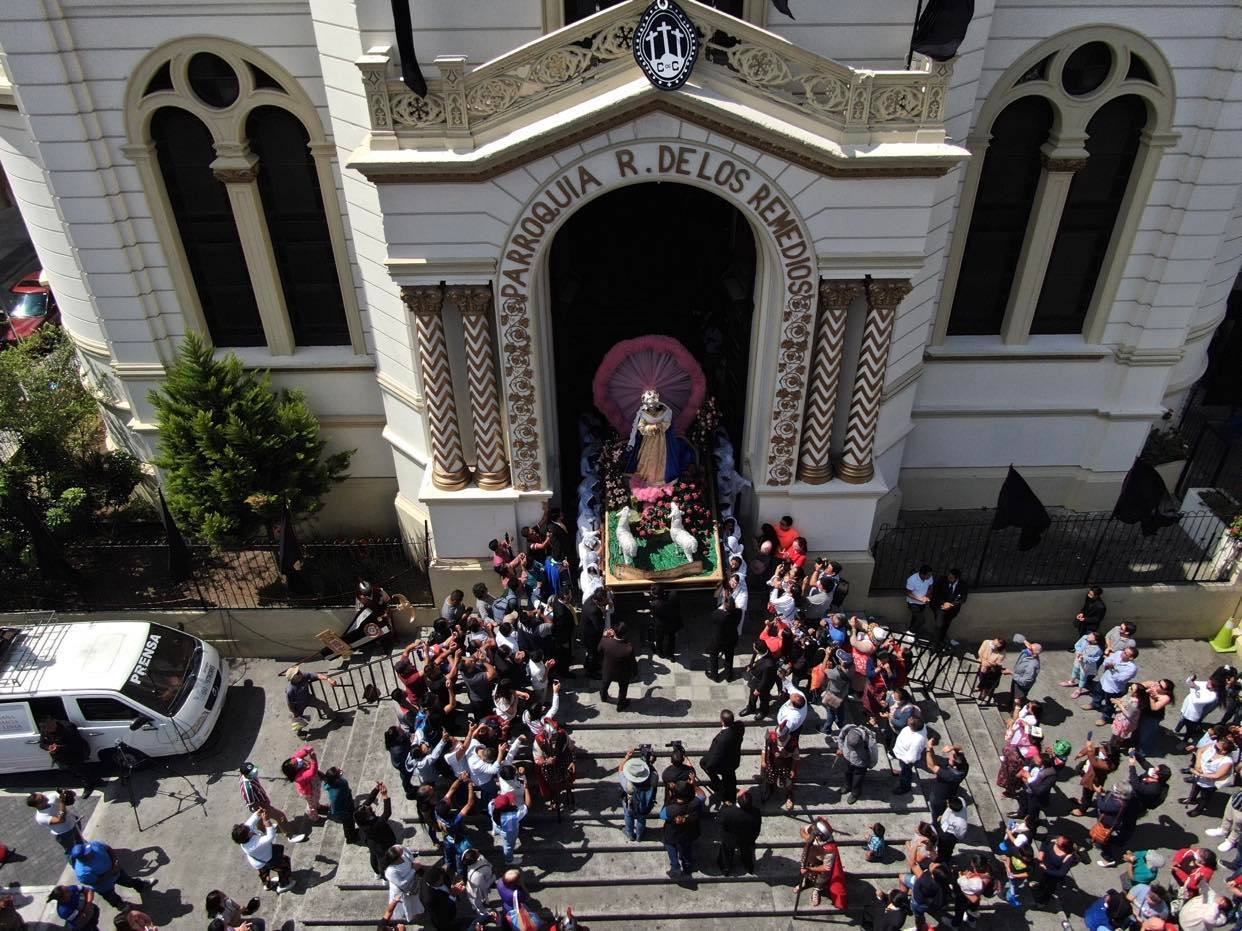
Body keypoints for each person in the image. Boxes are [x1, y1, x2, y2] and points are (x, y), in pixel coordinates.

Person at [238, 763, 307, 844]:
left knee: (260, 820)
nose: (256, 773)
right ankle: (290, 836)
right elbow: (252, 803)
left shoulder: (245, 777)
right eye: (252, 773)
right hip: (261, 805)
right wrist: (265, 808)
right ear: (246, 775)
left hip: (261, 802)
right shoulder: (248, 788)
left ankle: (262, 832)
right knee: (281, 816)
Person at [68, 841, 149, 909]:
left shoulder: (93, 844)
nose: (91, 851)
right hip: (105, 887)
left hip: (117, 872)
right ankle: (122, 906)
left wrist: (115, 862)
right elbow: (97, 881)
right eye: (87, 853)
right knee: (112, 898)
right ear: (82, 858)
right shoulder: (82, 872)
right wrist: (112, 871)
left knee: (129, 881)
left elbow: (108, 849)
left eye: (88, 850)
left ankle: (141, 886)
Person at [231, 812, 294, 894]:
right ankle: (284, 884)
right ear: (247, 836)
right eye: (248, 831)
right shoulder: (255, 845)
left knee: (264, 873)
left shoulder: (243, 840)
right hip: (268, 859)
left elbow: (250, 821)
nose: (250, 829)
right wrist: (266, 821)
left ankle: (267, 884)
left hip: (257, 862)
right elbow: (270, 836)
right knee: (284, 863)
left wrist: (258, 813)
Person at [659, 779, 706, 881]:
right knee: (686, 850)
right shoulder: (696, 802)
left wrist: (669, 795)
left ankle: (675, 866)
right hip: (689, 833)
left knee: (670, 847)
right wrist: (694, 784)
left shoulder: (670, 809)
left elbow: (662, 815)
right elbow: (702, 795)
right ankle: (687, 867)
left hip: (673, 835)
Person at [1180, 735, 1237, 817]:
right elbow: (1200, 750)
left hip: (1209, 784)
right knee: (1195, 788)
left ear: (1224, 751)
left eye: (1217, 748)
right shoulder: (1213, 747)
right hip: (1199, 778)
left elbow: (1216, 776)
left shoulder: (1227, 761)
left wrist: (1198, 773)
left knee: (1205, 797)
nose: (1214, 747)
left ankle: (1199, 809)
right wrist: (1198, 764)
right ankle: (1191, 799)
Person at [37, 719, 97, 795]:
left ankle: (89, 784)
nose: (47, 730)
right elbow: (42, 743)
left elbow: (76, 743)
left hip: (73, 755)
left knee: (81, 770)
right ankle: (85, 778)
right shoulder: (45, 729)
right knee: (69, 770)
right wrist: (49, 747)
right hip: (59, 757)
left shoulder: (68, 728)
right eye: (45, 728)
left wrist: (59, 747)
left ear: (54, 723)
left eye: (49, 727)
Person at [700, 710, 744, 809]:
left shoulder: (722, 739)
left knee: (704, 764)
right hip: (733, 759)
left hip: (724, 763)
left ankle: (719, 787)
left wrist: (709, 767)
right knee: (730, 778)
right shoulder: (740, 726)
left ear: (722, 721)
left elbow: (715, 756)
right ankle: (730, 795)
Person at [800, 817, 847, 909]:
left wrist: (809, 870)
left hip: (823, 862)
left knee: (824, 874)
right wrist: (809, 840)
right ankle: (804, 880)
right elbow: (802, 831)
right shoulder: (813, 828)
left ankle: (817, 889)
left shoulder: (830, 849)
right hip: (812, 855)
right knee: (804, 861)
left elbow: (825, 867)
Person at [354, 782, 397, 878]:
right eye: (367, 809)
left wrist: (376, 789)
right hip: (381, 843)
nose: (367, 805)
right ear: (367, 815)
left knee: (373, 855)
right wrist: (385, 796)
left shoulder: (359, 815)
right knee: (382, 860)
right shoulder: (376, 824)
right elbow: (387, 813)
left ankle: (376, 872)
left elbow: (368, 800)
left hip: (370, 840)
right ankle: (382, 875)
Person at [284, 668, 341, 738]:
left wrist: (328, 679)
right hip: (298, 705)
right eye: (298, 673)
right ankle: (299, 732)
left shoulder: (303, 676)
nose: (300, 672)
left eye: (299, 671)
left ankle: (333, 716)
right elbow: (289, 703)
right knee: (297, 719)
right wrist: (294, 712)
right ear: (293, 678)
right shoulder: (290, 690)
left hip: (308, 698)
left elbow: (316, 675)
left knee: (323, 705)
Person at [1090, 646, 1140, 724]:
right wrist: (1108, 663)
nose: (1122, 653)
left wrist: (1113, 668)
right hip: (1104, 680)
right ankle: (1094, 704)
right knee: (1097, 692)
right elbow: (1107, 661)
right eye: (1124, 651)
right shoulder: (1118, 653)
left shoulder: (1131, 668)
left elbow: (1120, 679)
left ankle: (1105, 718)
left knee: (1110, 704)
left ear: (1130, 658)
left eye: (1125, 653)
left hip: (1113, 688)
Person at [716, 788, 761, 874]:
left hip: (730, 838)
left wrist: (724, 806)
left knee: (726, 853)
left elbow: (719, 820)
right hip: (746, 837)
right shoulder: (755, 812)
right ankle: (748, 866)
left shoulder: (727, 812)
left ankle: (726, 869)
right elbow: (757, 827)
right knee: (747, 852)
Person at [27, 790, 85, 857]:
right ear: (38, 805)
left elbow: (72, 795)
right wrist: (62, 801)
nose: (45, 797)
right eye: (42, 799)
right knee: (71, 851)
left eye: (42, 796)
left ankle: (85, 853)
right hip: (64, 834)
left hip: (74, 824)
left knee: (80, 841)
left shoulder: (51, 797)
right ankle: (75, 863)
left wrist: (67, 793)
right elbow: (60, 819)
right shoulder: (41, 817)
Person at [922, 740, 968, 821]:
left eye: (950, 757)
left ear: (953, 764)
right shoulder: (964, 766)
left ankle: (936, 822)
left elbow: (931, 766)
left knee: (936, 811)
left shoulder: (949, 775)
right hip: (951, 790)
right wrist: (952, 747)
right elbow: (960, 749)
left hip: (939, 796)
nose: (949, 756)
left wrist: (928, 749)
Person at [380, 845, 424, 927]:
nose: (403, 852)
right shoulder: (391, 871)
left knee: (415, 902)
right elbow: (402, 884)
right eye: (401, 853)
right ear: (396, 858)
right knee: (405, 905)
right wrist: (414, 870)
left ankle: (416, 912)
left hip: (413, 886)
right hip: (403, 892)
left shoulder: (403, 855)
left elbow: (402, 848)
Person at [618, 750, 657, 841]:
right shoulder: (653, 777)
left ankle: (630, 834)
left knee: (628, 815)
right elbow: (654, 773)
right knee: (642, 818)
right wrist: (649, 764)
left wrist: (626, 757)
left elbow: (620, 769)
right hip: (645, 802)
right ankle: (640, 836)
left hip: (630, 802)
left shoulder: (628, 785)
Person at [837, 721, 878, 805]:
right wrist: (841, 748)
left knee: (857, 779)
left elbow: (874, 755)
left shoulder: (870, 740)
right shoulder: (848, 728)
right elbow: (840, 737)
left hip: (860, 763)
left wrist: (871, 765)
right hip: (847, 758)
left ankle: (855, 793)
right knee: (847, 772)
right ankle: (847, 786)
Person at [707, 584, 741, 682]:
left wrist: (724, 603)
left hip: (718, 640)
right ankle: (729, 675)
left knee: (713, 657)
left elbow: (711, 618)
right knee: (729, 658)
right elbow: (736, 608)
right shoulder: (738, 613)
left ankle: (714, 675)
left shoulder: (718, 614)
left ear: (725, 605)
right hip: (731, 639)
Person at [1032, 834, 1078, 906]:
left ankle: (1042, 902)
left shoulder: (1068, 858)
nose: (1056, 841)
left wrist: (1046, 870)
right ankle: (1039, 887)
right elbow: (1045, 840)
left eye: (1058, 842)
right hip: (1045, 868)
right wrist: (1041, 851)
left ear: (1063, 847)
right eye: (1057, 839)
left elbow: (1061, 873)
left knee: (1049, 889)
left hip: (1053, 875)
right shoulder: (1054, 841)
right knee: (1043, 880)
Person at [280, 746, 323, 823]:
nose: (298, 760)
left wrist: (307, 750)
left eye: (295, 760)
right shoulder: (299, 777)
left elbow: (299, 754)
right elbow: (313, 772)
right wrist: (313, 759)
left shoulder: (294, 761)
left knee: (316, 798)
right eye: (296, 763)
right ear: (294, 770)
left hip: (313, 785)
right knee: (312, 804)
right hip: (309, 792)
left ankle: (318, 806)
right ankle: (314, 817)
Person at [599, 623, 636, 711]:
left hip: (608, 671)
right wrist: (634, 673)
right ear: (625, 634)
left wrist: (604, 637)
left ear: (614, 632)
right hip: (622, 674)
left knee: (605, 684)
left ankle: (603, 697)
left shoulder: (605, 642)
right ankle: (621, 705)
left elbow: (599, 650)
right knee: (623, 688)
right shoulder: (628, 648)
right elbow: (632, 663)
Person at [739, 642, 779, 718]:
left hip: (763, 684)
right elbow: (754, 659)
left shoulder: (768, 664)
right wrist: (751, 666)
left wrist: (759, 689)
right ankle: (751, 708)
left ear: (758, 650)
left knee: (764, 698)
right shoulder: (759, 651)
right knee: (752, 696)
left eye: (754, 647)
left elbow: (766, 679)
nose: (753, 648)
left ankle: (764, 711)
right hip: (755, 680)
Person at [892, 714, 928, 796]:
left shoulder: (917, 741)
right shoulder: (920, 726)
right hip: (901, 754)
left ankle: (905, 787)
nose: (908, 720)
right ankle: (902, 772)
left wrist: (905, 761)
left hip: (906, 760)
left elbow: (912, 757)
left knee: (906, 773)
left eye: (909, 721)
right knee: (903, 769)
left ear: (913, 727)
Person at [321, 767, 359, 844]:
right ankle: (350, 838)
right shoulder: (336, 794)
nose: (340, 770)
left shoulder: (337, 782)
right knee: (348, 824)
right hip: (344, 811)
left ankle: (352, 832)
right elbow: (335, 810)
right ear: (336, 779)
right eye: (338, 772)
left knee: (351, 822)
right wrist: (346, 814)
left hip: (348, 803)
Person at [1062, 630, 1104, 698]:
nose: (1089, 636)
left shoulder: (1098, 649)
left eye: (1091, 636)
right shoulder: (1085, 637)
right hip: (1078, 660)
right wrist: (1078, 652)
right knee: (1075, 670)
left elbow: (1095, 659)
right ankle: (1071, 681)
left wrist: (1084, 657)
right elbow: (1077, 645)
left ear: (1095, 641)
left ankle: (1079, 690)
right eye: (1090, 634)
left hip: (1086, 665)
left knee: (1083, 677)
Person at [929, 568, 968, 642]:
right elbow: (935, 593)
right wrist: (944, 603)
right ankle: (934, 643)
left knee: (945, 625)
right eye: (948, 576)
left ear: (957, 579)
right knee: (939, 625)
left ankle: (940, 641)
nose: (948, 578)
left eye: (951, 578)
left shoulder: (963, 585)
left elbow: (963, 599)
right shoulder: (942, 580)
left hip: (952, 610)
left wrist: (951, 605)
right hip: (940, 607)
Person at [1004, 641, 1042, 709]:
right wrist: (1024, 641)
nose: (1027, 648)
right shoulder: (1028, 653)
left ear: (1035, 653)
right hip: (1016, 678)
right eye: (1029, 646)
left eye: (1030, 649)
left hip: (1021, 685)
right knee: (1013, 694)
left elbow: (1025, 681)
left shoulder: (1032, 665)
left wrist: (1011, 673)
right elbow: (1019, 642)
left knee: (1017, 701)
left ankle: (1014, 716)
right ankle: (1010, 705)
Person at [649, 584, 682, 659]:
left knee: (659, 639)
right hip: (673, 623)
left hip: (661, 626)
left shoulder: (654, 604)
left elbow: (653, 614)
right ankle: (670, 654)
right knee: (671, 639)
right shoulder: (673, 596)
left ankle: (660, 653)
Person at [975, 637, 1007, 705]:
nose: (994, 646)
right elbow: (980, 652)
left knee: (987, 671)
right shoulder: (986, 642)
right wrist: (984, 661)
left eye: (996, 646)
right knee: (984, 668)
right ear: (995, 640)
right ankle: (982, 688)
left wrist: (988, 663)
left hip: (992, 666)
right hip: (982, 661)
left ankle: (982, 688)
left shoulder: (1002, 652)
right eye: (994, 643)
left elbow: (998, 662)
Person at [904, 564, 934, 634]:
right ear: (922, 574)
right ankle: (911, 632)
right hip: (913, 603)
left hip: (923, 603)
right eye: (928, 575)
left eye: (930, 575)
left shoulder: (929, 577)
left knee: (915, 618)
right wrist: (920, 599)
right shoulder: (912, 580)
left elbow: (930, 586)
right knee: (921, 620)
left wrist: (927, 595)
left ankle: (912, 631)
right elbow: (908, 593)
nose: (930, 577)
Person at [937, 797, 968, 863]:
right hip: (943, 827)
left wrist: (954, 838)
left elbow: (960, 834)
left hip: (949, 835)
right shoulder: (961, 800)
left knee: (947, 849)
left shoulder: (960, 822)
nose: (947, 802)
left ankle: (945, 860)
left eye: (948, 804)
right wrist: (942, 816)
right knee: (940, 845)